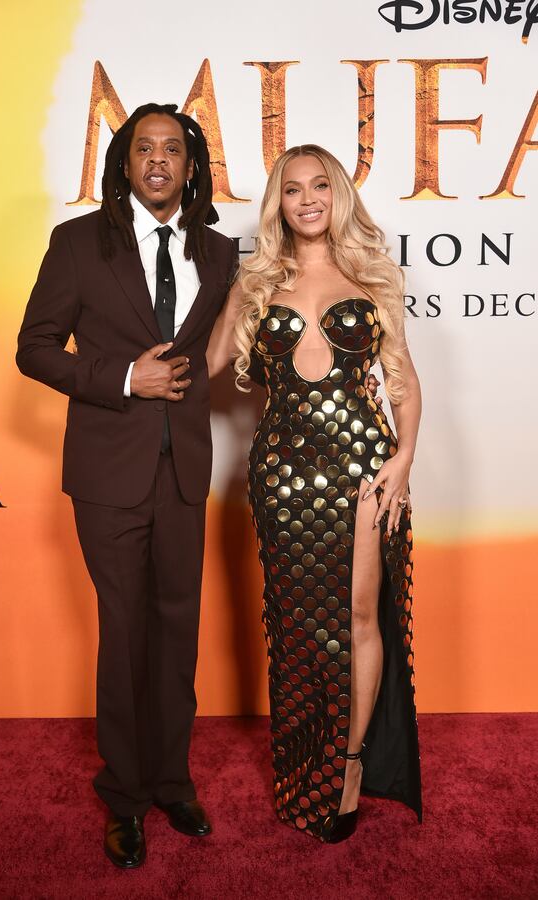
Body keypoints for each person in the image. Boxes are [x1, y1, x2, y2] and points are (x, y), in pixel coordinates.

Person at [17, 103, 236, 868]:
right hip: (108, 474)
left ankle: (174, 780)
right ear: (124, 163)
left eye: (172, 149)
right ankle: (126, 793)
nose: (157, 160)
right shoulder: (78, 244)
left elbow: (235, 338)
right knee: (124, 633)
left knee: (177, 632)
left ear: (190, 165)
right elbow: (35, 349)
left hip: (185, 472)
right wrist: (121, 377)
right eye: (143, 148)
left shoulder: (219, 252)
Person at [207, 144, 422, 842]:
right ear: (279, 202)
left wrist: (406, 457)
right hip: (281, 475)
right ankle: (305, 764)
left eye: (320, 186)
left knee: (358, 618)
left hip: (362, 469)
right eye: (293, 189)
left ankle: (350, 764)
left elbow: (403, 383)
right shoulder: (258, 281)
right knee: (299, 629)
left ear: (338, 196)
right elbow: (208, 363)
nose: (307, 199)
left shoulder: (370, 275)